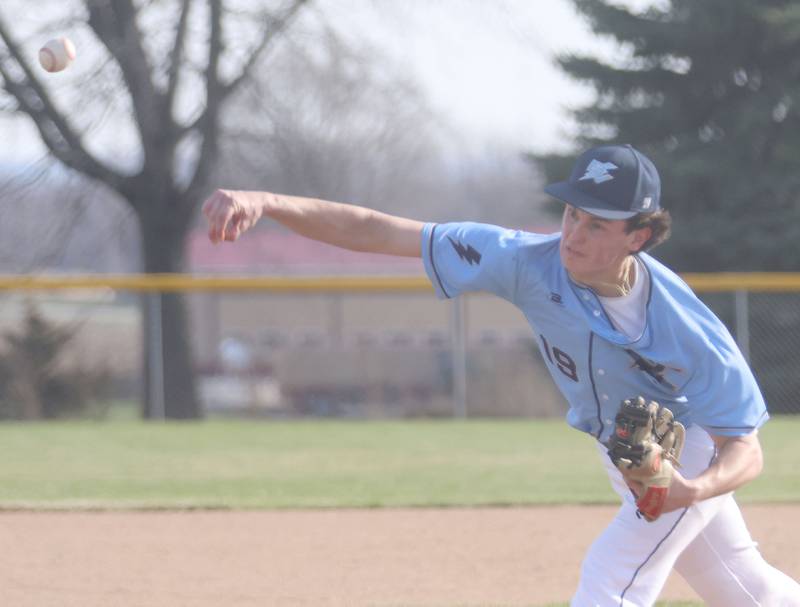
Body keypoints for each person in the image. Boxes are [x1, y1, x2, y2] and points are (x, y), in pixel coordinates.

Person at [202, 144, 800, 606]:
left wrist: (691, 491)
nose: (573, 233)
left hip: (685, 454)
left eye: (596, 224)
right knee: (743, 589)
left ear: (638, 235)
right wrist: (269, 202)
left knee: (613, 578)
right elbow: (378, 229)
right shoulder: (525, 262)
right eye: (571, 213)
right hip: (623, 450)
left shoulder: (686, 327)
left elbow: (745, 449)